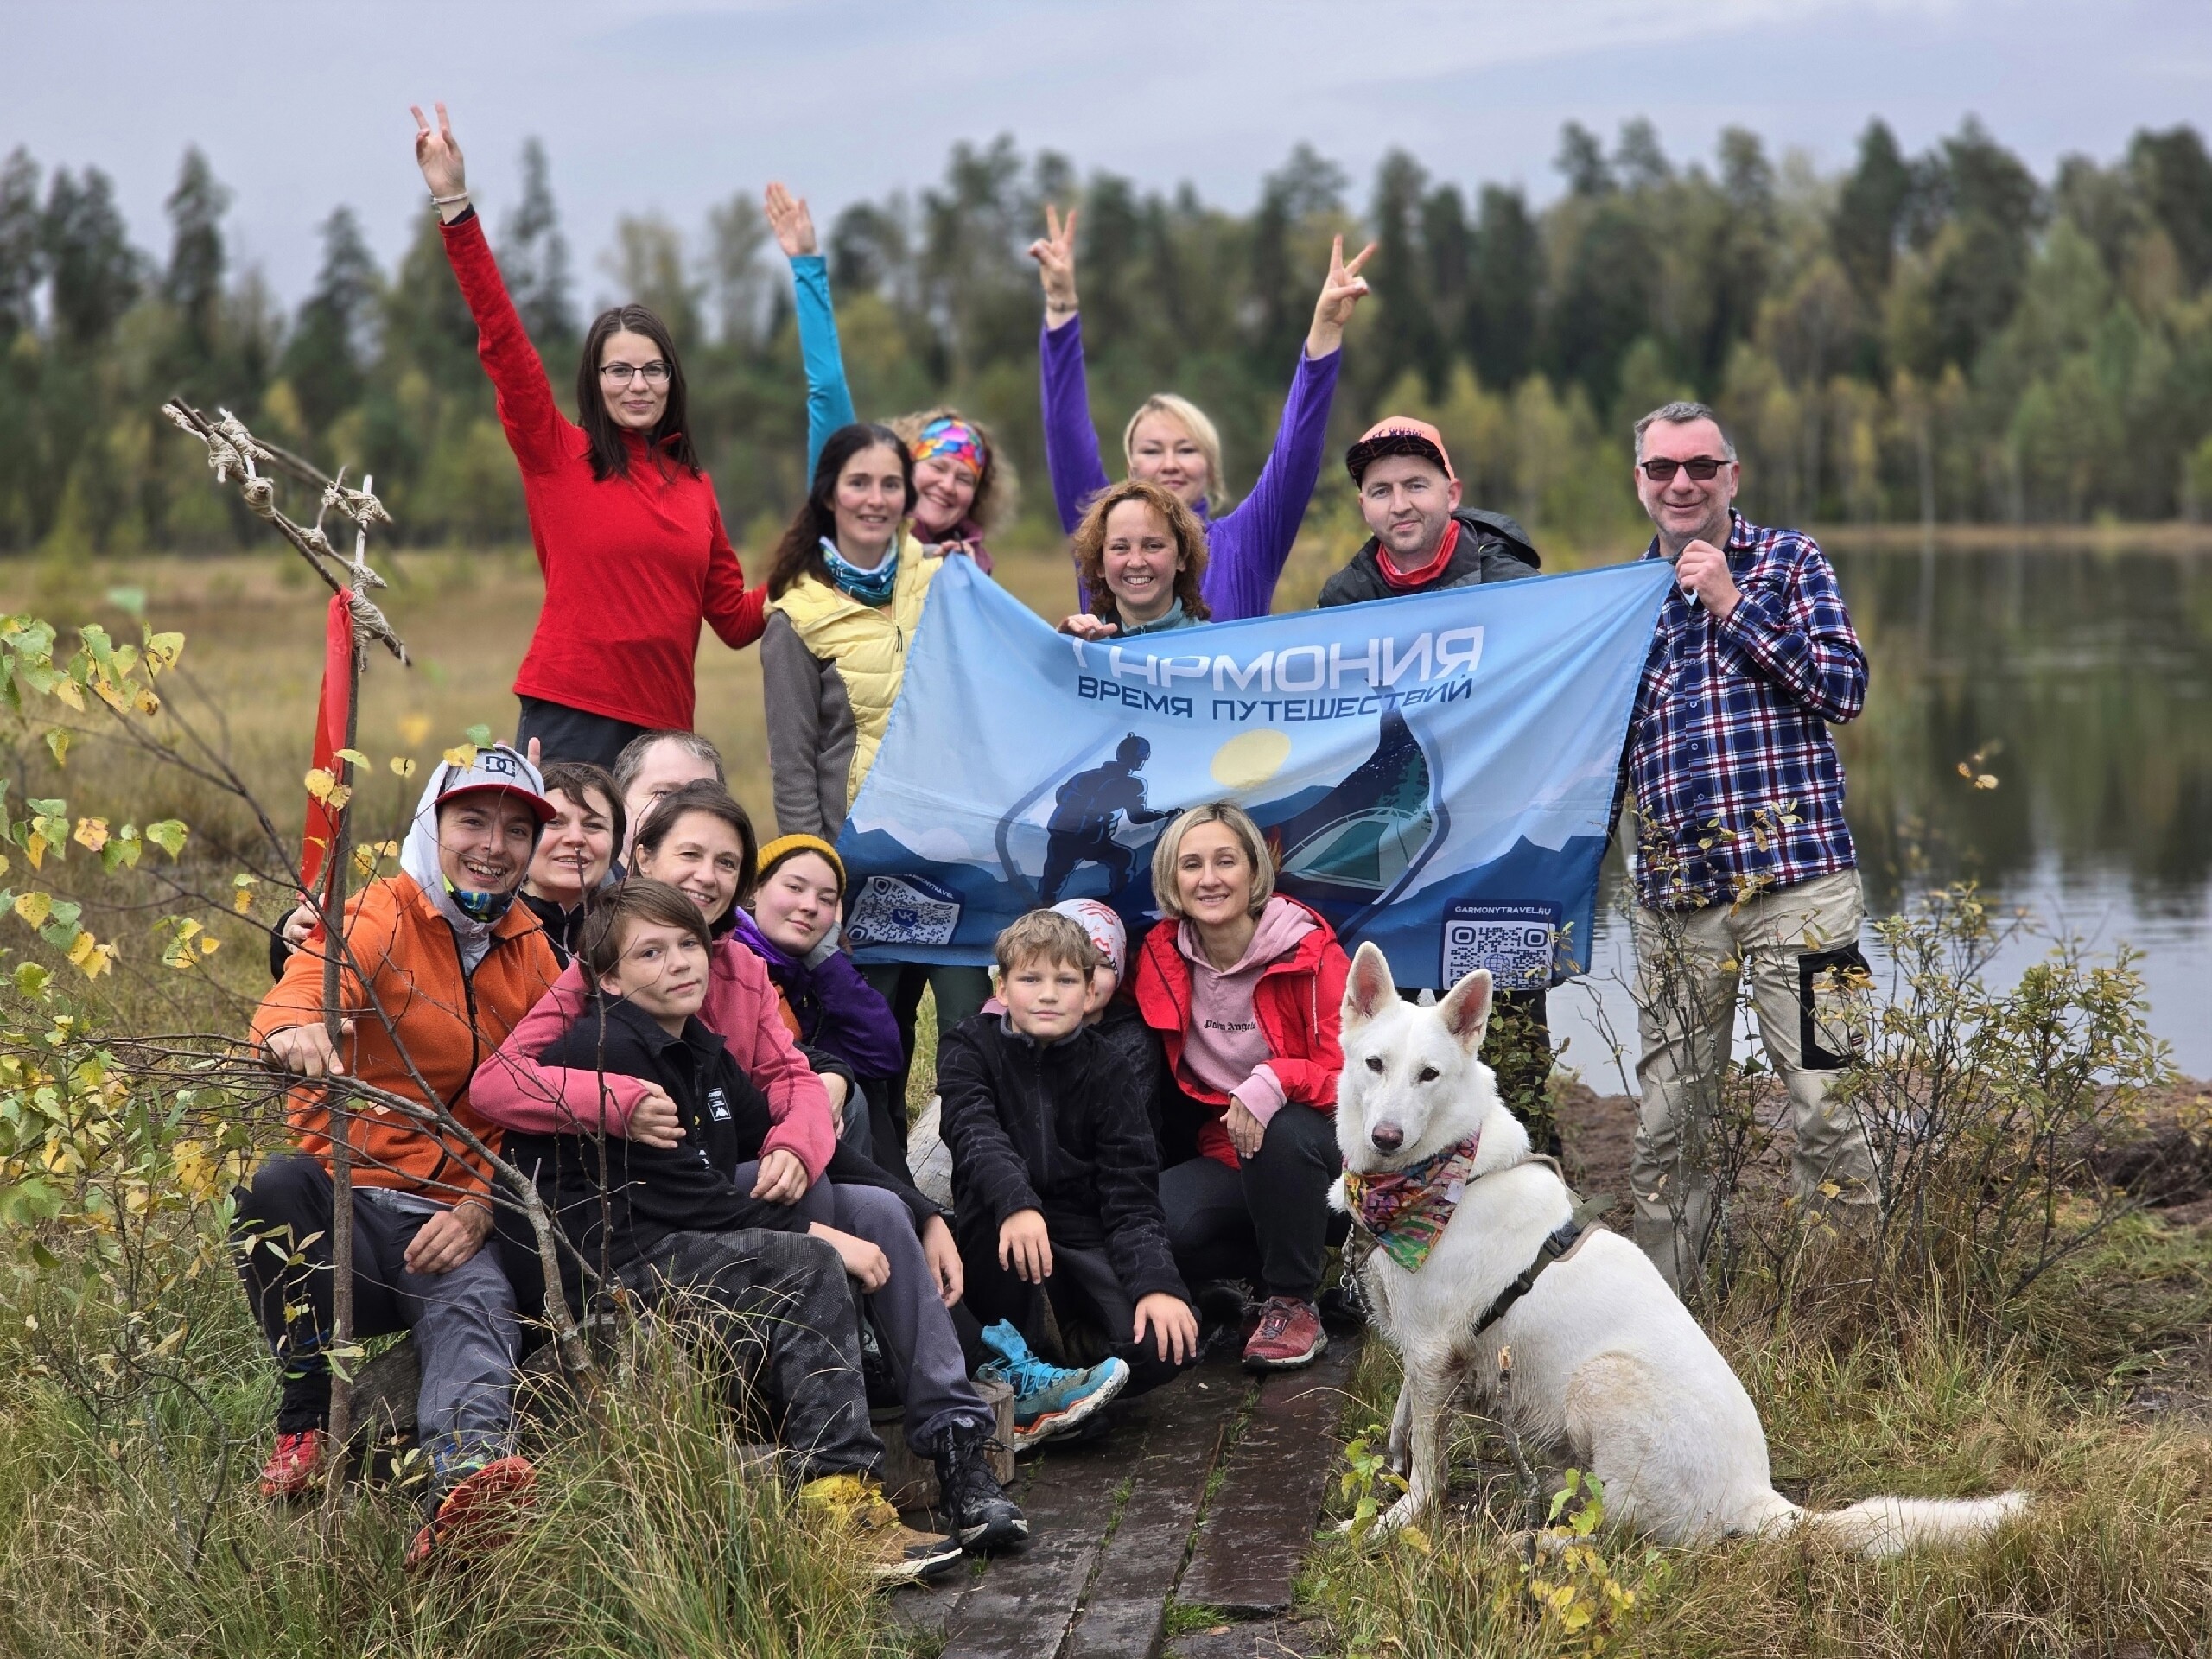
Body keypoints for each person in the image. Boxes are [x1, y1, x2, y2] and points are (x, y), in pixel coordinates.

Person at [471, 785, 1020, 1545]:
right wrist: (617, 1099)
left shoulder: (727, 983)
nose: (707, 876)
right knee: (812, 1235)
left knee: (881, 1212)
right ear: (643, 859)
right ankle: (823, 1431)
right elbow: (499, 1083)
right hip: (645, 1220)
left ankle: (956, 1442)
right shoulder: (604, 986)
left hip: (718, 1182)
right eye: (690, 855)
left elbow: (789, 1085)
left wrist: (918, 1208)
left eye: (726, 863)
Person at [236, 744, 561, 1567]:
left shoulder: (533, 949)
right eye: (473, 821)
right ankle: (306, 1420)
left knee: (477, 1307)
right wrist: (292, 1031)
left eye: (517, 831)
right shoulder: (382, 910)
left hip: (448, 1220)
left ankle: (464, 1494)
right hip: (346, 1210)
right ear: (433, 825)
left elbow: (544, 1107)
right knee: (275, 1188)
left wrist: (482, 1207)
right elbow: (305, 986)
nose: (493, 846)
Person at [412, 103, 760, 770]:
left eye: (653, 369)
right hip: (571, 717)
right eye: (619, 370)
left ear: (673, 379)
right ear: (594, 381)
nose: (638, 385)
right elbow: (505, 342)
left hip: (664, 736)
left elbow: (738, 622)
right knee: (564, 844)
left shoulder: (696, 487)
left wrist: (818, 561)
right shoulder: (558, 455)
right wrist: (455, 205)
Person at [1622, 400, 1878, 1291]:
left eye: (1701, 466)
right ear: (1640, 482)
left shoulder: (1791, 561)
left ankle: (1843, 1311)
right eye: (1662, 468)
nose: (1681, 484)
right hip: (1675, 904)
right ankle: (1667, 1320)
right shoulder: (1623, 600)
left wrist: (1731, 603)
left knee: (1829, 1106)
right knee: (1667, 1129)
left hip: (1805, 890)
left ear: (1731, 476)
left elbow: (1844, 688)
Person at [1317, 416, 1558, 1152]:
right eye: (1381, 490)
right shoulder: (1343, 600)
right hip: (1399, 838)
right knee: (1395, 1046)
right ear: (1364, 506)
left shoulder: (1512, 584)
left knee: (1505, 1039)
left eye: (1416, 485)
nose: (1400, 504)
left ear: (1451, 492)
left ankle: (1529, 1170)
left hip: (1498, 843)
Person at [760, 421, 992, 1114]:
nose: (876, 498)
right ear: (829, 494)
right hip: (862, 863)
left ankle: (978, 1167)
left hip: (954, 856)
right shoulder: (796, 616)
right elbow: (793, 767)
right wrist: (818, 881)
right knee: (875, 1040)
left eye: (891, 483)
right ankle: (886, 1173)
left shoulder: (949, 579)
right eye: (859, 482)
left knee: (973, 1030)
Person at [1029, 204, 1372, 620]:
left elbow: (1295, 452)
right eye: (1152, 450)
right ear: (1131, 470)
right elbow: (1065, 433)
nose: (1170, 464)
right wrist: (1061, 305)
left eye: (1187, 450)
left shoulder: (1245, 545)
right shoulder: (1103, 540)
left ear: (1211, 470)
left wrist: (1326, 332)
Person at [938, 911, 1198, 1443]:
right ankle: (1029, 1376)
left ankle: (1067, 1366)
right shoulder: (969, 1046)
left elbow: (1132, 1196)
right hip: (999, 1233)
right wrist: (1017, 1202)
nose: (1048, 995)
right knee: (994, 1212)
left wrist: (1157, 1286)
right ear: (1002, 988)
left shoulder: (1109, 1067)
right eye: (1031, 978)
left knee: (1166, 1345)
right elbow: (973, 1132)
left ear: (1089, 990)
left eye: (1066, 981)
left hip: (1082, 1238)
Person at [1130, 804, 1348, 1372]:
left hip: (1328, 1159)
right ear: (1171, 880)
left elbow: (1358, 1081)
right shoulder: (1159, 955)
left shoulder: (1313, 954)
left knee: (1281, 1127)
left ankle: (1294, 1303)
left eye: (1225, 861)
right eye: (1192, 864)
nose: (1209, 879)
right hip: (1231, 1151)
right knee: (1156, 1224)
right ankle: (1264, 1273)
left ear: (1255, 871)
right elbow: (1097, 993)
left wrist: (1275, 1079)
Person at [765, 182, 1014, 569]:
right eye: (938, 467)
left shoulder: (972, 567)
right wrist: (807, 265)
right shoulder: (849, 518)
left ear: (975, 500)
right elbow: (827, 388)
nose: (948, 486)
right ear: (903, 468)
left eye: (965, 479)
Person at [734, 835, 907, 1169]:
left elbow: (882, 1055)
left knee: (863, 1088)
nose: (810, 906)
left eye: (826, 899)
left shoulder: (811, 977)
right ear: (754, 889)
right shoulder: (730, 959)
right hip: (750, 1146)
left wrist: (826, 958)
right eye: (795, 887)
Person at [1055, 480, 1212, 641]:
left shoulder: (1213, 646)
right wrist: (1062, 648)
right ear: (1100, 564)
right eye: (1120, 547)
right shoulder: (1084, 643)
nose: (1136, 563)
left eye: (1152, 546)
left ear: (1181, 557)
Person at [1037, 734, 1172, 907]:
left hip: (1068, 837)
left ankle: (1043, 910)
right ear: (1137, 759)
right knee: (1124, 859)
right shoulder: (1132, 784)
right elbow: (1137, 817)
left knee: (1053, 881)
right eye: (1141, 757)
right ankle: (1122, 905)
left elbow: (1061, 795)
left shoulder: (1084, 776)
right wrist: (1165, 814)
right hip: (1086, 841)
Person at [521, 760, 622, 963]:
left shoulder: (634, 930)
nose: (575, 838)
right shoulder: (485, 930)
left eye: (593, 825)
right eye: (554, 822)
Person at [610, 728, 724, 864]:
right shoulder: (589, 875)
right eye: (665, 793)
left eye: (701, 798)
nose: (683, 810)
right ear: (618, 800)